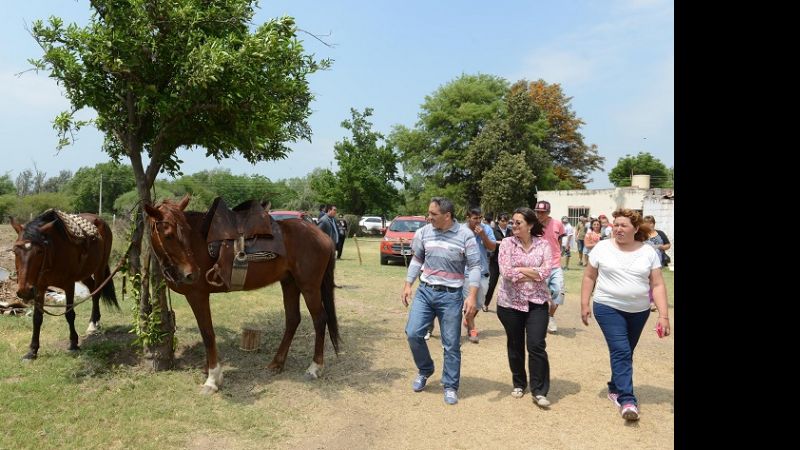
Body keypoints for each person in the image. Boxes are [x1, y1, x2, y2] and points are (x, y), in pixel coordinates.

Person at [580, 208, 671, 422]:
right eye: (616, 225)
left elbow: (657, 284)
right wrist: (585, 303)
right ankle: (628, 400)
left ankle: (615, 386)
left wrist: (664, 316)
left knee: (626, 351)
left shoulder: (648, 251)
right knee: (621, 350)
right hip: (607, 307)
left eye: (623, 225)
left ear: (636, 229)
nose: (618, 229)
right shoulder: (602, 248)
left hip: (639, 312)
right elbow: (588, 277)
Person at [401, 197, 481, 405]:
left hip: (452, 296)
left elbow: (474, 266)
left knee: (451, 343)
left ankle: (450, 385)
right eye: (429, 213)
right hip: (426, 292)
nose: (429, 217)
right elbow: (417, 259)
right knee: (413, 333)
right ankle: (425, 369)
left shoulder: (466, 235)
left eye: (433, 214)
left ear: (447, 216)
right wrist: (408, 283)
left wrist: (472, 295)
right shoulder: (424, 233)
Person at [496, 207, 553, 407]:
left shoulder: (543, 245)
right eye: (512, 222)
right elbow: (506, 273)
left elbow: (545, 273)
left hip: (537, 301)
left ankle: (539, 390)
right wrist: (531, 272)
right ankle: (519, 382)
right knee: (515, 343)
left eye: (518, 222)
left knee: (536, 345)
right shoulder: (506, 244)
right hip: (510, 303)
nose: (514, 225)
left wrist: (519, 268)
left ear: (530, 225)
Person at [462, 207, 496, 343]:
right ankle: (472, 329)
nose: (478, 221)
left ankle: (468, 319)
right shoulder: (461, 230)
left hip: (483, 272)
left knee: (479, 303)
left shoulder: (486, 229)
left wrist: (483, 235)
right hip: (466, 272)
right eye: (474, 218)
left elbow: (492, 247)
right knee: (470, 302)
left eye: (479, 218)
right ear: (468, 218)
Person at [533, 200, 566, 334]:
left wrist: (558, 254)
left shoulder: (558, 224)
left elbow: (558, 242)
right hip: (539, 265)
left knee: (558, 290)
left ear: (548, 212)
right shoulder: (533, 225)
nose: (540, 214)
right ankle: (536, 320)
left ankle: (550, 316)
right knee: (539, 294)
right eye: (538, 212)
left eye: (543, 212)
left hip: (555, 263)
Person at [485, 213, 513, 312]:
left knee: (509, 283)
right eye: (502, 220)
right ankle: (486, 303)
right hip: (495, 260)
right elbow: (488, 241)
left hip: (507, 261)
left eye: (506, 220)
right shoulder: (493, 230)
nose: (504, 223)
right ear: (498, 221)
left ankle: (508, 304)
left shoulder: (511, 231)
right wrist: (499, 243)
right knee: (492, 283)